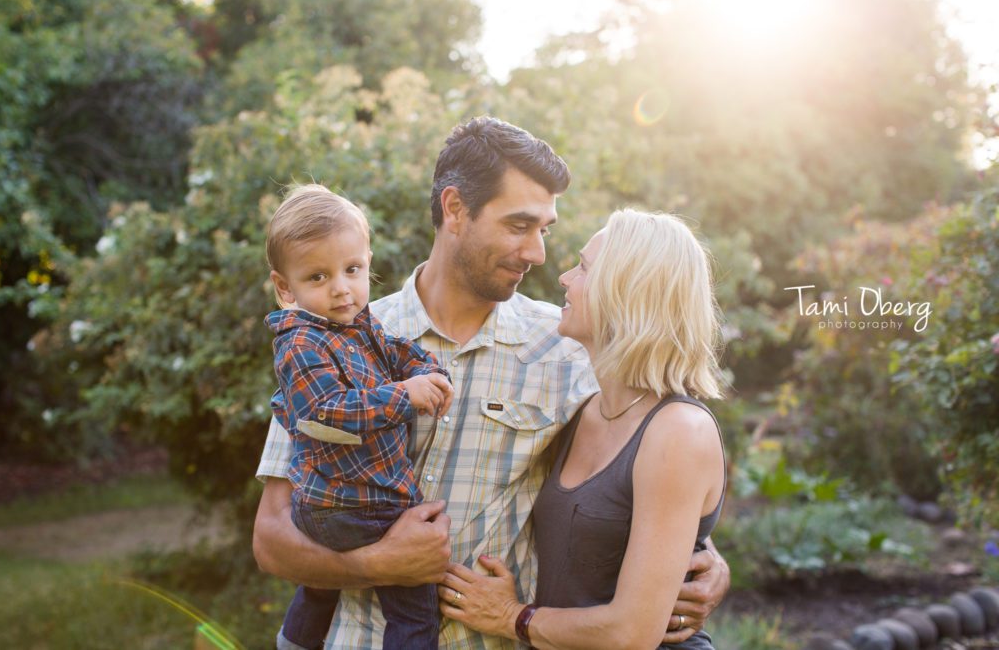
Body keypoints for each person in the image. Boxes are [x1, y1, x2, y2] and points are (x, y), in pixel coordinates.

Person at [252, 117, 731, 650]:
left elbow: (636, 475)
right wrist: (378, 563)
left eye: (544, 229)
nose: (537, 253)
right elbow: (271, 537)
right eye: (518, 225)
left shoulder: (569, 349)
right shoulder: (330, 341)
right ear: (455, 209)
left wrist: (705, 560)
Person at [434, 210, 727, 649]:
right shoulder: (583, 408)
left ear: (627, 291)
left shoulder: (680, 431)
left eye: (584, 268)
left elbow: (632, 633)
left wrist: (513, 617)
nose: (565, 278)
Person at [265, 184, 454, 649]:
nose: (341, 289)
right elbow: (326, 411)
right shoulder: (300, 343)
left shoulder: (360, 324)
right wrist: (404, 396)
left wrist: (428, 374)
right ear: (285, 287)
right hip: (356, 505)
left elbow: (400, 352)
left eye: (352, 270)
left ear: (368, 261)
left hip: (332, 503)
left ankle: (295, 640)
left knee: (320, 585)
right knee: (415, 608)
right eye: (318, 277)